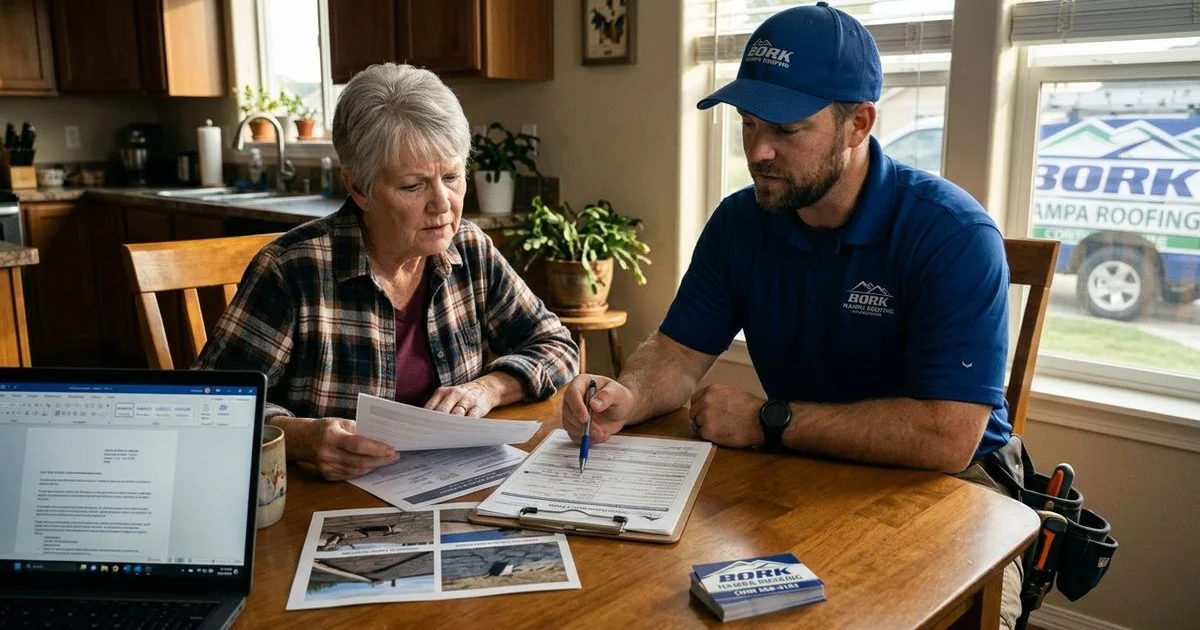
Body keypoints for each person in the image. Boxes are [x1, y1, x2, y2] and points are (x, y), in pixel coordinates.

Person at [560, 4, 1021, 628]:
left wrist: (768, 419)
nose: (759, 150)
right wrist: (626, 392)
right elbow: (676, 354)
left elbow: (946, 436)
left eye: (787, 129)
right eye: (748, 124)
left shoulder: (952, 233)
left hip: (956, 493)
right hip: (796, 475)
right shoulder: (740, 221)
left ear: (858, 124)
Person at [197, 63, 577, 482]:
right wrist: (302, 438)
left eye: (452, 177)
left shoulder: (469, 248)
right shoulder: (293, 270)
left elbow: (556, 346)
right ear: (359, 188)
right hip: (324, 502)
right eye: (413, 186)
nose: (443, 204)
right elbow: (212, 405)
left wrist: (487, 388)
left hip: (449, 487)